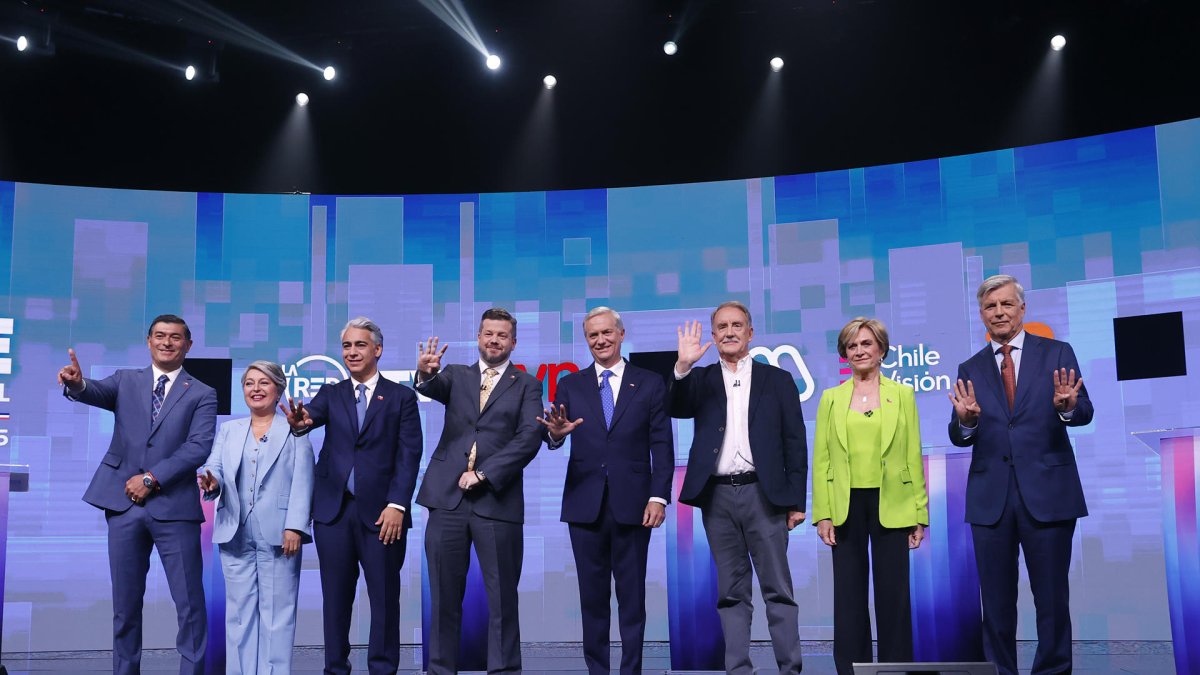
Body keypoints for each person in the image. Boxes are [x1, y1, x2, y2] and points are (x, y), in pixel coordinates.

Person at [948, 275, 1093, 675]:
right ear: (981, 314)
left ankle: (1053, 671)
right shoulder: (970, 366)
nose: (999, 312)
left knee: (1051, 599)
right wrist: (965, 421)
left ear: (1022, 309)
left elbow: (1083, 412)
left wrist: (1067, 407)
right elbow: (959, 434)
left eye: (1007, 304)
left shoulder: (1057, 352)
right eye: (991, 306)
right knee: (995, 603)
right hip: (990, 499)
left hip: (1048, 494)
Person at [58, 314, 215, 675]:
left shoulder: (203, 393)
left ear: (187, 345)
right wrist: (78, 383)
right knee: (125, 606)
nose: (167, 342)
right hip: (123, 507)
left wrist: (151, 479)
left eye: (175, 337)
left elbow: (198, 447)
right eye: (159, 336)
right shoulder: (126, 380)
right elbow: (93, 391)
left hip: (175, 509)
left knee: (189, 605)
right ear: (148, 341)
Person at [671, 301, 807, 675]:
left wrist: (796, 502)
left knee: (778, 590)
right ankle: (738, 671)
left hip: (764, 494)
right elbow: (676, 406)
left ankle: (790, 669)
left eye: (737, 325)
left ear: (751, 332)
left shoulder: (777, 380)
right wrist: (683, 366)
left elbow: (795, 441)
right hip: (717, 497)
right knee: (731, 594)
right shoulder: (699, 380)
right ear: (713, 336)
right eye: (722, 327)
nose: (729, 332)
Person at [537, 307, 674, 675]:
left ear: (621, 333)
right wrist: (554, 435)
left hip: (634, 505)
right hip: (585, 505)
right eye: (592, 335)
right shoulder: (571, 384)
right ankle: (597, 670)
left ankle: (631, 671)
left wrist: (658, 496)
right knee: (592, 600)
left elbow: (661, 444)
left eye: (606, 333)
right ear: (587, 340)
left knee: (632, 599)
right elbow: (554, 432)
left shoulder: (648, 382)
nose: (600, 340)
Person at [283, 317, 423, 675]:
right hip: (334, 514)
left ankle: (382, 669)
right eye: (346, 346)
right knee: (336, 601)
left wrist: (397, 505)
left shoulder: (401, 397)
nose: (352, 352)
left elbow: (409, 456)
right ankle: (335, 669)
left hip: (382, 516)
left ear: (377, 349)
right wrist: (300, 423)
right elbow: (307, 419)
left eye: (360, 345)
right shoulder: (332, 394)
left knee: (384, 600)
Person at [415, 307, 544, 675]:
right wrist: (425, 371)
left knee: (502, 599)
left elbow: (529, 438)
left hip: (496, 502)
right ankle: (440, 670)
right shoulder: (455, 375)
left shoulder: (528, 384)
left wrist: (484, 474)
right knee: (443, 597)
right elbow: (429, 386)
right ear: (478, 337)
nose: (494, 340)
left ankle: (503, 671)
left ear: (513, 342)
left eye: (502, 335)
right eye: (488, 333)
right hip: (447, 500)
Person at [811, 318, 928, 675]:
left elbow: (912, 454)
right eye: (852, 346)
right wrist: (823, 513)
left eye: (866, 344)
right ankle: (851, 669)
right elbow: (822, 459)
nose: (859, 351)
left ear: (881, 350)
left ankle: (895, 670)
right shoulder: (831, 399)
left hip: (892, 502)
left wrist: (919, 513)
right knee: (848, 597)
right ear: (845, 353)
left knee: (894, 596)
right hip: (845, 505)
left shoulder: (902, 395)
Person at [198, 361, 314, 674]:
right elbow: (215, 467)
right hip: (234, 531)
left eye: (263, 383)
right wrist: (211, 481)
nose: (255, 389)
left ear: (278, 389)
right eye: (249, 383)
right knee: (238, 614)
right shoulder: (229, 430)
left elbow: (304, 478)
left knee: (277, 615)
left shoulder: (295, 429)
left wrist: (295, 526)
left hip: (279, 534)